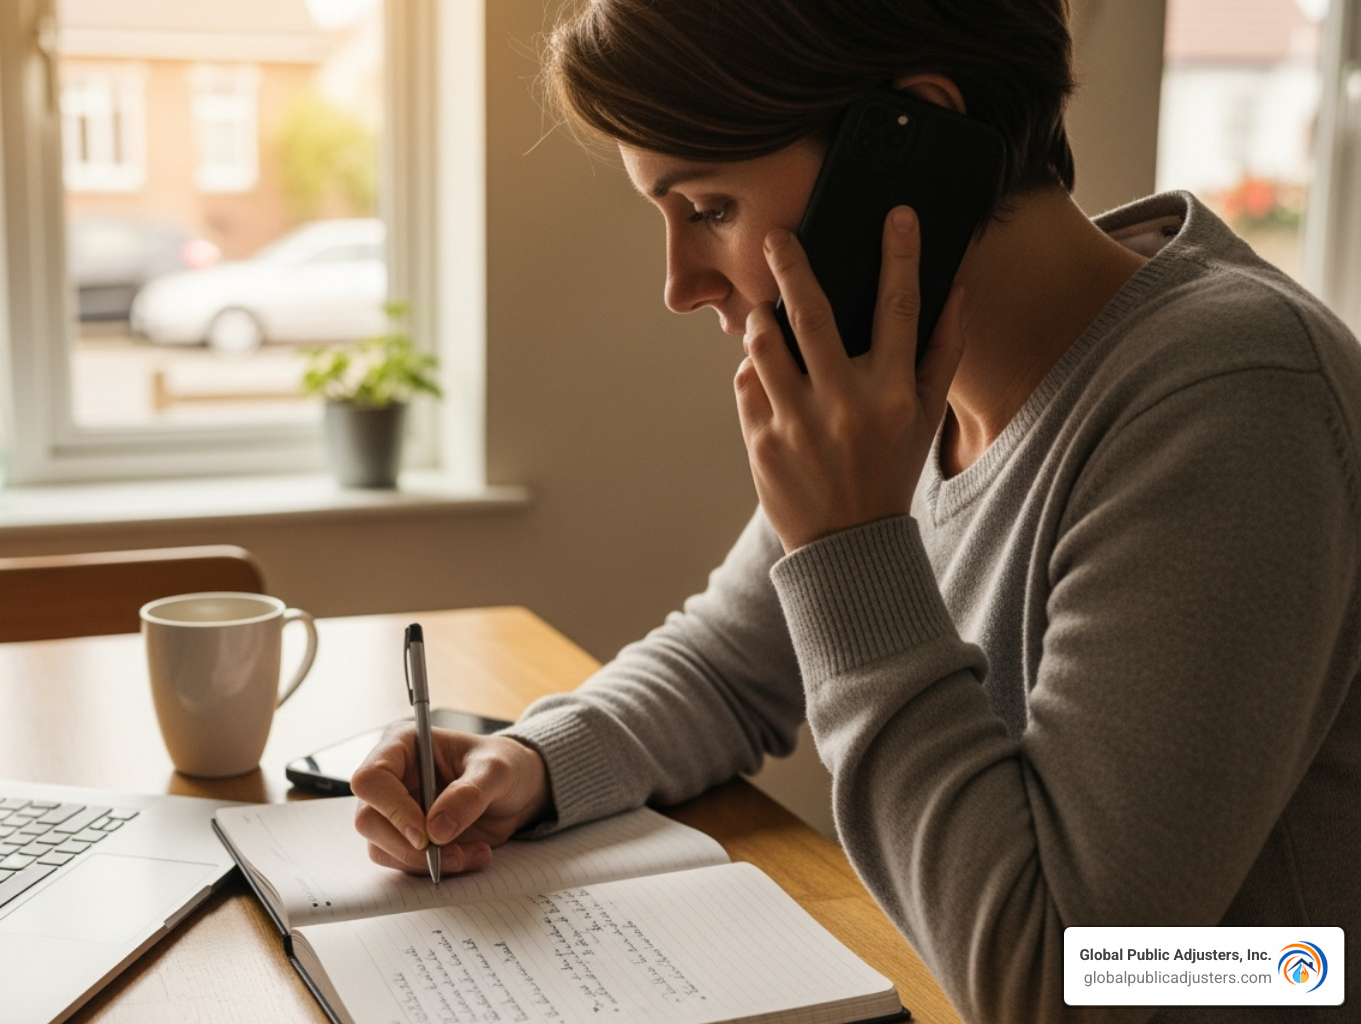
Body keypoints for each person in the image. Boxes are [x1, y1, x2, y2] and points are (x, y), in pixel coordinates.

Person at [351, 1, 1361, 1020]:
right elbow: (730, 662)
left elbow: (1062, 976)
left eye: (708, 208)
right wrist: (528, 761)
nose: (679, 284)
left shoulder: (1233, 398)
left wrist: (851, 544)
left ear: (907, 141)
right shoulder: (906, 383)